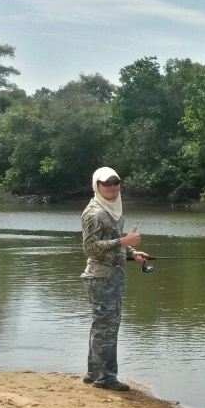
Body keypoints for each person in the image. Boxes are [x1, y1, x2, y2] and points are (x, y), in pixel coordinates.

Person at [81, 167, 148, 391]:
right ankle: (105, 378)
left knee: (102, 326)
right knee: (106, 327)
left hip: (111, 276)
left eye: (115, 182)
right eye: (106, 183)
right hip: (101, 277)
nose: (111, 187)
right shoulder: (95, 213)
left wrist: (132, 253)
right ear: (96, 186)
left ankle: (94, 374)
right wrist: (123, 242)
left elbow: (113, 241)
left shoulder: (113, 209)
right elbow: (90, 248)